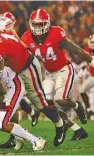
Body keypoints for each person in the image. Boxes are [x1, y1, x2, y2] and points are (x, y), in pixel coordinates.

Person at [0, 25, 68, 146]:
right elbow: (10, 30)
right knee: (14, 102)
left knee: (40, 103)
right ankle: (16, 138)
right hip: (15, 68)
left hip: (27, 67)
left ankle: (61, 123)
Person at [21, 9, 91, 140]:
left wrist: (91, 60)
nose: (37, 27)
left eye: (40, 24)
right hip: (48, 73)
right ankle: (76, 129)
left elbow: (75, 49)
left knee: (60, 98)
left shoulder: (56, 33)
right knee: (45, 104)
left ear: (47, 24)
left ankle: (77, 106)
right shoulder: (26, 37)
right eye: (35, 24)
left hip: (64, 69)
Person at [80, 34, 94, 118]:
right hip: (92, 77)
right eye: (92, 42)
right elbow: (87, 62)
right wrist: (82, 69)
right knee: (82, 91)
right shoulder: (87, 49)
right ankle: (89, 110)